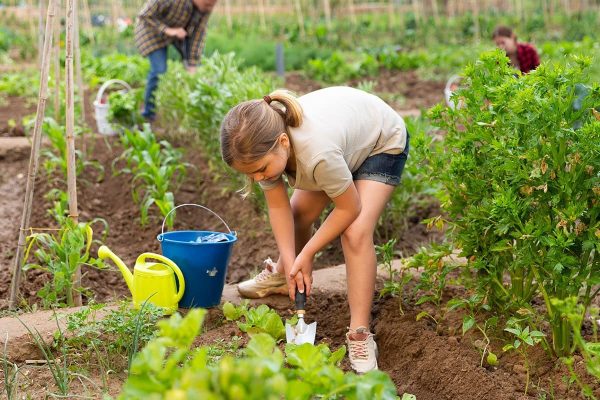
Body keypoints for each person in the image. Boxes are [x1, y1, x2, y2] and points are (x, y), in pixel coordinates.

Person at [220, 87, 409, 373]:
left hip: (380, 142)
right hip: (342, 147)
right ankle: (282, 277)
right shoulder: (264, 148)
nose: (257, 178)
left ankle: (359, 332)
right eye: (250, 174)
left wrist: (307, 254)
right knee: (298, 214)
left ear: (283, 142)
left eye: (260, 170)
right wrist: (292, 263)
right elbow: (280, 209)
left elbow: (349, 208)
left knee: (355, 233)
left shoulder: (317, 153)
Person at [134, 0, 217, 122]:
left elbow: (199, 35)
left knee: (194, 69)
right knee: (159, 71)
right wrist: (169, 30)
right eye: (208, 3)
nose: (210, 7)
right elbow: (144, 15)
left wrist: (192, 64)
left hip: (178, 33)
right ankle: (148, 113)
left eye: (213, 4)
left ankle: (192, 110)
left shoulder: (204, 9)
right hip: (151, 31)